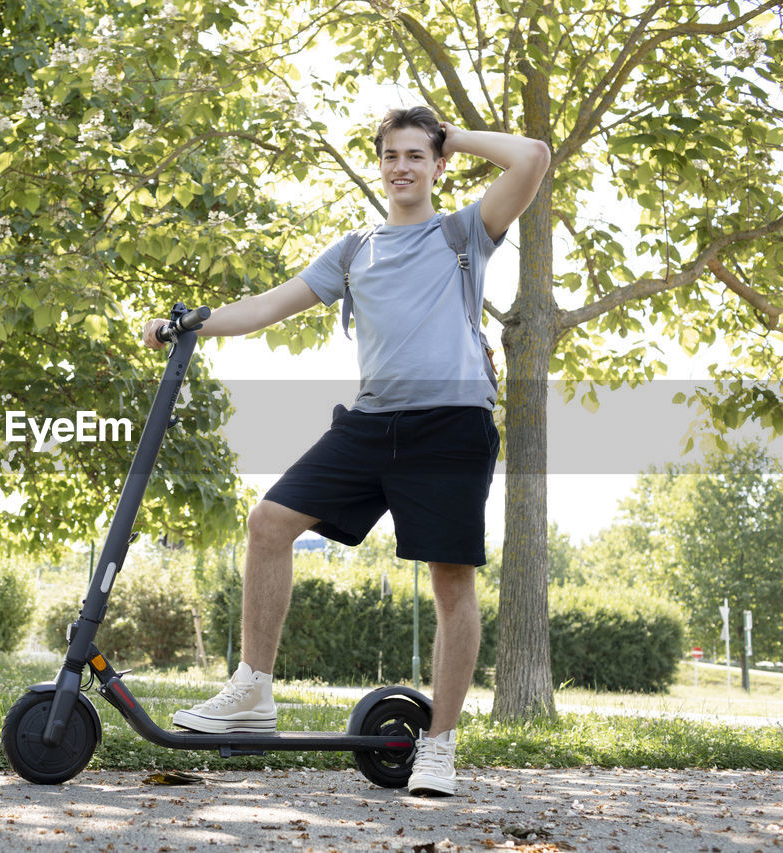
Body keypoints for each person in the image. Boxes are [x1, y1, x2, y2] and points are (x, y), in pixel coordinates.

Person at [142, 105, 549, 796]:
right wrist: (191, 323)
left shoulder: (464, 233)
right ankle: (252, 691)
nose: (402, 166)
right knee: (269, 522)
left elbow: (533, 156)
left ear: (438, 163)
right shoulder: (355, 250)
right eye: (391, 155)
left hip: (450, 424)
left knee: (451, 581)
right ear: (380, 165)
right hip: (370, 424)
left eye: (417, 155)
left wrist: (450, 133)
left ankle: (439, 746)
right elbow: (271, 304)